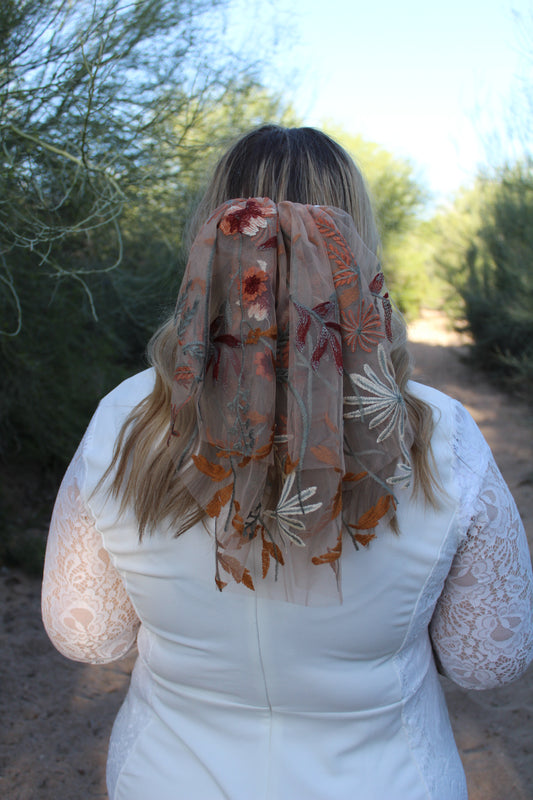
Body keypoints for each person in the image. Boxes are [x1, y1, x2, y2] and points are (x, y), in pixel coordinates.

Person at [42, 125, 533, 800]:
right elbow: (489, 660)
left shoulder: (125, 422)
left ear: (210, 235)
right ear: (355, 242)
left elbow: (86, 638)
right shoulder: (439, 433)